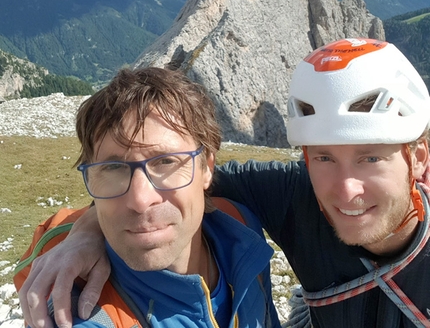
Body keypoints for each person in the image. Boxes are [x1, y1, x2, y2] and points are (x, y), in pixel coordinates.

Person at [17, 38, 430, 327]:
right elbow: (176, 184)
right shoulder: (291, 196)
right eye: (323, 157)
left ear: (419, 160)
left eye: (371, 157)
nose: (346, 190)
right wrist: (86, 231)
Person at [14, 67, 280, 328]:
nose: (140, 200)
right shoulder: (85, 316)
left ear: (207, 168)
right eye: (113, 168)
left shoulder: (241, 228)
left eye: (166, 162)